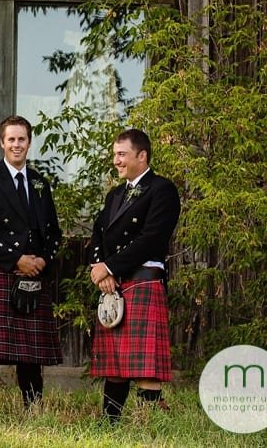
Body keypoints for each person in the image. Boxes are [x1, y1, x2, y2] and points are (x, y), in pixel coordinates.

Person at [0, 115, 63, 407]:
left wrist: (42, 260)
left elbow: (53, 232)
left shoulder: (39, 183)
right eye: (11, 139)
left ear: (29, 143)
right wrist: (17, 259)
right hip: (1, 269)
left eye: (22, 139)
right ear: (2, 142)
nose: (16, 144)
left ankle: (33, 409)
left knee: (31, 350)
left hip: (34, 273)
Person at [89, 128, 180, 423]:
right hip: (115, 284)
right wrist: (101, 268)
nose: (116, 160)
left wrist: (110, 267)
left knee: (146, 366)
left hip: (143, 280)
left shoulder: (162, 189)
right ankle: (109, 424)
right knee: (115, 363)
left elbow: (151, 239)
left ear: (142, 156)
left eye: (122, 154)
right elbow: (98, 234)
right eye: (115, 154)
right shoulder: (115, 194)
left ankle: (148, 425)